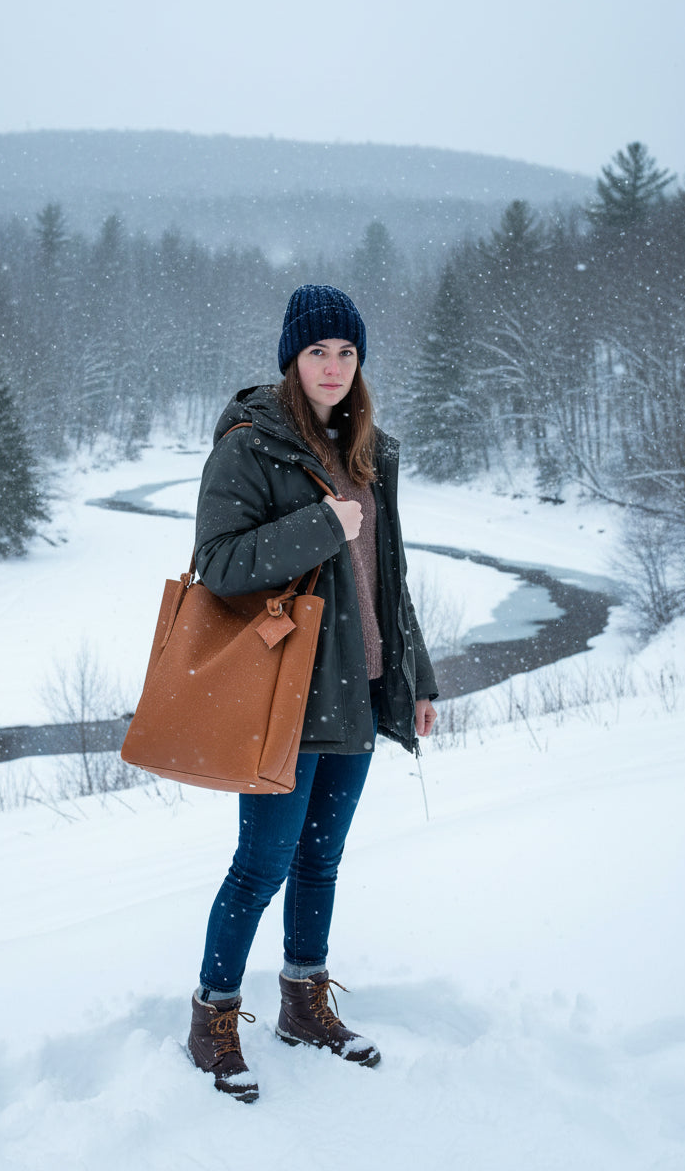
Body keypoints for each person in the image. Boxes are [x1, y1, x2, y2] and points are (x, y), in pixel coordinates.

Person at [187, 284, 438, 1102]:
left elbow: (384, 581)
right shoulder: (250, 444)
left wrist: (416, 677)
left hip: (359, 691)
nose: (333, 366)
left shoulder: (371, 451)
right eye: (318, 351)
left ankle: (304, 1003)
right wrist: (323, 524)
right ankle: (214, 1019)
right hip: (287, 694)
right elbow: (220, 565)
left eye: (347, 352)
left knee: (321, 863)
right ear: (292, 360)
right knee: (260, 866)